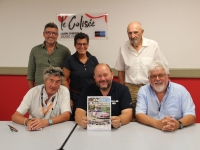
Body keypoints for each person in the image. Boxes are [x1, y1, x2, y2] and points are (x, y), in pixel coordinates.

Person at [115, 21, 168, 121]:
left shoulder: (153, 45)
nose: (132, 35)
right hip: (131, 88)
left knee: (151, 114)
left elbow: (163, 67)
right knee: (132, 116)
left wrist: (165, 87)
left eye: (135, 32)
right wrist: (122, 88)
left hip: (150, 87)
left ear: (142, 32)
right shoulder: (123, 47)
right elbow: (121, 70)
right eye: (130, 33)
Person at [136, 60, 196, 131]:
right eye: (153, 76)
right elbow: (139, 114)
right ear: (149, 79)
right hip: (151, 129)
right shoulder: (143, 91)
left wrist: (178, 124)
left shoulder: (181, 90)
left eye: (161, 75)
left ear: (168, 76)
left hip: (176, 131)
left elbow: (191, 115)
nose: (157, 79)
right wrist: (157, 124)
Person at [12, 67, 71, 131]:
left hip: (56, 129)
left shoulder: (64, 91)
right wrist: (28, 122)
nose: (54, 85)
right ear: (45, 81)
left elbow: (66, 116)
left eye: (57, 82)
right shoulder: (33, 92)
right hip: (34, 130)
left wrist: (46, 122)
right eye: (51, 80)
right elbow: (15, 116)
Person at [75, 63, 132, 129]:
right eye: (99, 76)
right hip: (92, 130)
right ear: (94, 77)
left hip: (116, 131)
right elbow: (79, 111)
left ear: (112, 75)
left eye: (105, 75)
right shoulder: (87, 90)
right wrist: (81, 120)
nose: (102, 79)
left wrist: (120, 120)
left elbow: (128, 113)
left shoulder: (123, 90)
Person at [63, 32, 99, 121]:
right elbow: (64, 80)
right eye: (79, 44)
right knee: (78, 121)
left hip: (92, 96)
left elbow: (98, 78)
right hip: (76, 97)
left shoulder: (93, 59)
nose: (82, 46)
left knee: (94, 120)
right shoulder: (69, 60)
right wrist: (69, 99)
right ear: (75, 45)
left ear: (88, 45)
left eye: (84, 44)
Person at [27, 22, 71, 89]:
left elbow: (67, 74)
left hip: (58, 89)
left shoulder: (65, 51)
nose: (51, 35)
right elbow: (30, 74)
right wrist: (31, 92)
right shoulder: (35, 50)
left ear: (57, 35)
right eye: (48, 33)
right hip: (39, 88)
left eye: (54, 33)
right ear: (43, 34)